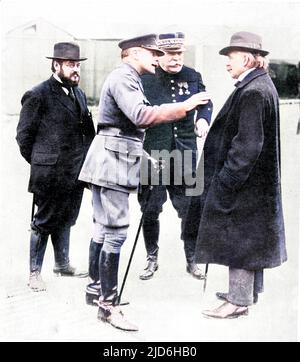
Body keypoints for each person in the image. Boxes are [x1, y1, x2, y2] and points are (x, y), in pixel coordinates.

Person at [79, 33, 211, 331]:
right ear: (135, 53)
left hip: (114, 158)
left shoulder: (127, 77)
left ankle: (95, 290)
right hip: (113, 163)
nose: (158, 58)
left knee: (102, 227)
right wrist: (186, 106)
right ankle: (108, 306)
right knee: (115, 232)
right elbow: (140, 115)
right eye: (152, 53)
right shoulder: (125, 78)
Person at [183, 31, 287, 319]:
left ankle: (237, 301)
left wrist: (225, 182)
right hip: (257, 184)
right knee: (251, 238)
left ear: (245, 58)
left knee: (239, 238)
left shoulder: (253, 91)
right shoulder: (261, 85)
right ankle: (245, 293)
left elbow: (248, 147)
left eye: (230, 58)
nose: (227, 64)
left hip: (244, 184)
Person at [16, 42, 95, 292]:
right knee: (43, 222)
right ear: (56, 65)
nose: (76, 71)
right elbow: (23, 137)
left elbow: (87, 133)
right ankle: (34, 273)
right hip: (50, 174)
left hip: (76, 173)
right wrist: (42, 162)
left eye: (78, 66)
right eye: (71, 65)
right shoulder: (38, 94)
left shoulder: (78, 93)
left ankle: (62, 264)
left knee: (67, 219)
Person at [138, 32, 213, 281]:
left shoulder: (192, 76)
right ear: (159, 55)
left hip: (185, 155)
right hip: (154, 155)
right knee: (149, 209)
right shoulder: (144, 78)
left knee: (191, 209)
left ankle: (192, 259)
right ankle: (151, 258)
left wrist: (203, 119)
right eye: (170, 54)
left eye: (179, 53)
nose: (176, 59)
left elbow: (205, 102)